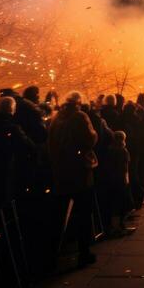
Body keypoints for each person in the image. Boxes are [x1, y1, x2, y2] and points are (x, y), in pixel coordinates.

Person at [48, 92, 98, 267]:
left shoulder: (56, 118)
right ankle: (84, 253)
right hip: (79, 171)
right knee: (84, 213)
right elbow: (91, 139)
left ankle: (53, 254)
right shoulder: (80, 117)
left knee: (59, 214)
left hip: (60, 171)